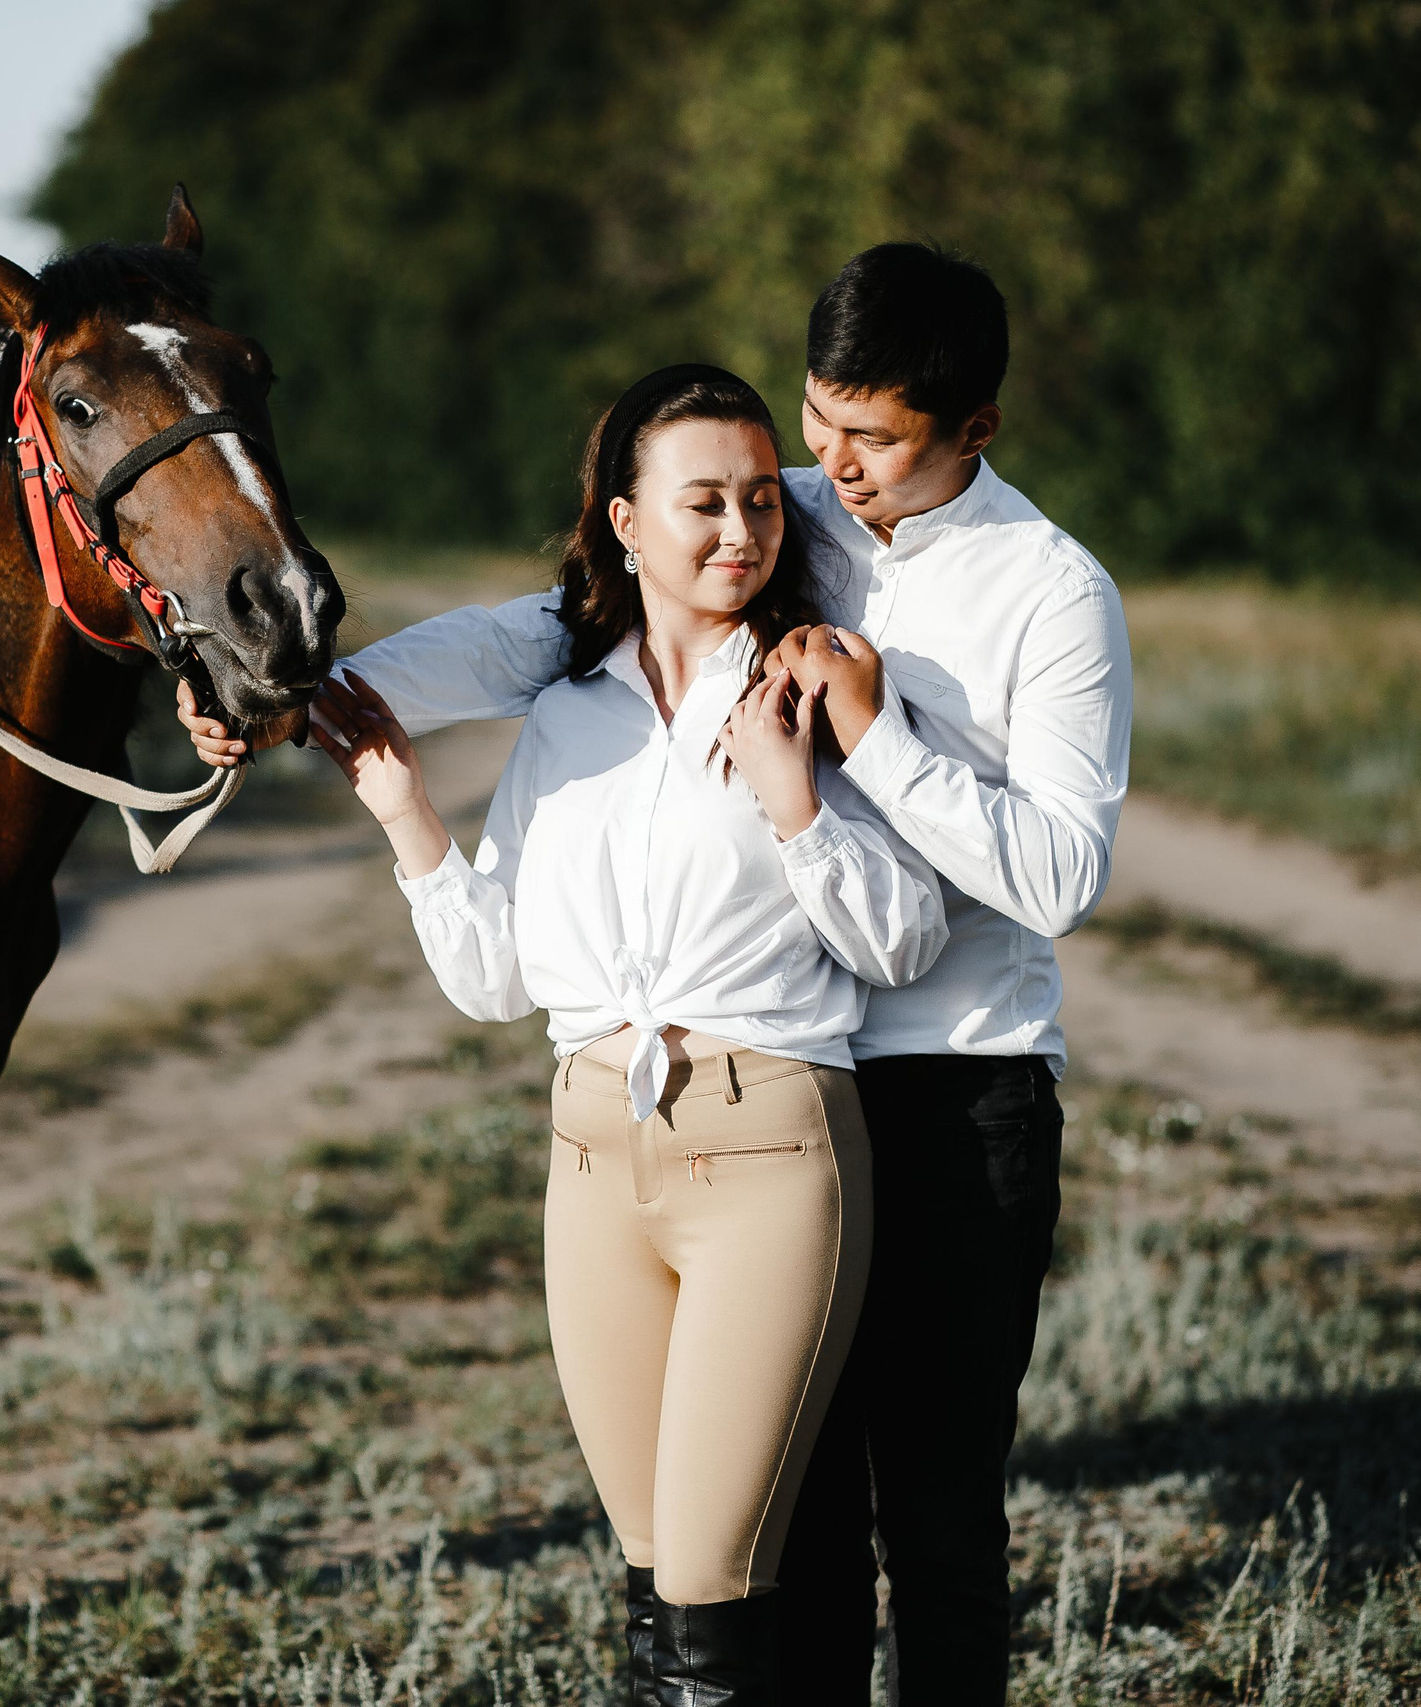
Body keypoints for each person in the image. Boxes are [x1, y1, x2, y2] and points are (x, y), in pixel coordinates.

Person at [185, 245, 1133, 1703]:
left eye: (873, 438)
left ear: (975, 428)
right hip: (781, 1081)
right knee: (788, 1532)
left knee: (938, 1519)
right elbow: (535, 635)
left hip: (955, 1088)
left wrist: (873, 738)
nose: (829, 466)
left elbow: (1062, 879)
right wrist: (299, 699)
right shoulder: (772, 512)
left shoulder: (1051, 592)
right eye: (819, 418)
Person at [306, 364, 947, 1704]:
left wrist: (793, 800)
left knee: (712, 1596)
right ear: (624, 524)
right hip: (592, 1169)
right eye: (703, 502)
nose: (741, 531)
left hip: (766, 1155)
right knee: (656, 1593)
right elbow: (498, 981)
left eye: (762, 500)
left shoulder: (808, 686)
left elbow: (903, 942)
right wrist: (406, 813)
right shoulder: (566, 719)